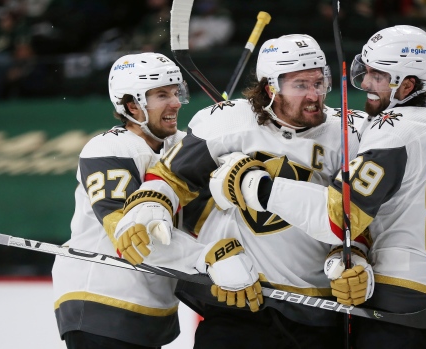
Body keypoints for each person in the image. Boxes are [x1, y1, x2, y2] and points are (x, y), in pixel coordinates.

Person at [112, 34, 372, 348]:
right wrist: (149, 209)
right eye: (300, 85)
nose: (314, 95)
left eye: (319, 82)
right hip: (239, 301)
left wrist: (354, 259)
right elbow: (169, 178)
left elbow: (359, 216)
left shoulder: (352, 133)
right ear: (270, 88)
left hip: (316, 313)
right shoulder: (229, 120)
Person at [245, 26, 426, 349]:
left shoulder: (394, 134)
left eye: (377, 76)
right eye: (366, 70)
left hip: (400, 303)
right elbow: (416, 190)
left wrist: (258, 187)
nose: (364, 83)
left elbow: (337, 218)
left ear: (407, 85)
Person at [51, 52, 190, 349]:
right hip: (103, 301)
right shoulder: (110, 146)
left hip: (149, 309)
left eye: (176, 93)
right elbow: (130, 235)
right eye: (162, 95)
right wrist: (211, 258)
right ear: (133, 106)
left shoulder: (181, 146)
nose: (176, 103)